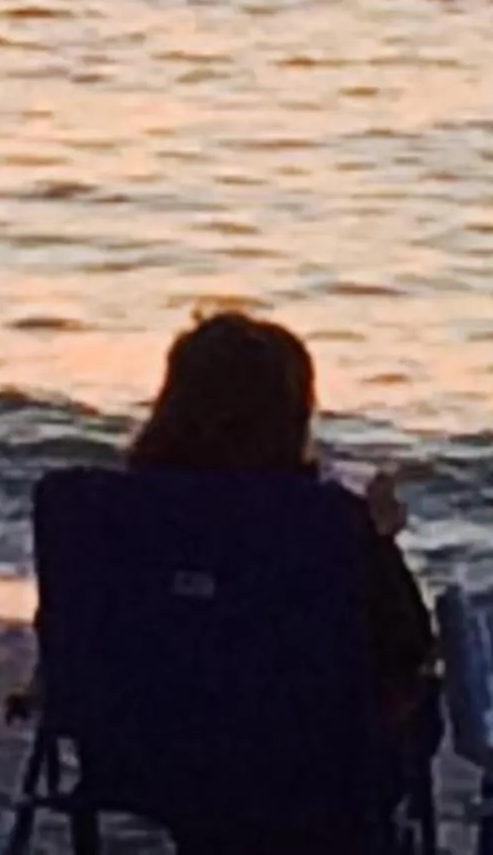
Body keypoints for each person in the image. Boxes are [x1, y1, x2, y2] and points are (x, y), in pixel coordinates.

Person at [125, 309, 435, 727]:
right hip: (301, 776)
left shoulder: (108, 515)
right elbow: (407, 649)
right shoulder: (324, 525)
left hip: (134, 763)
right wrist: (379, 541)